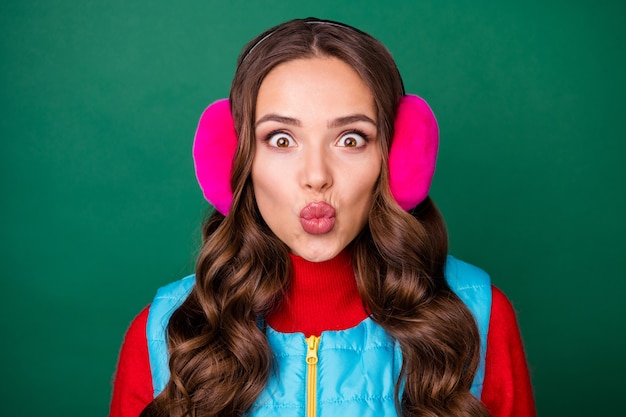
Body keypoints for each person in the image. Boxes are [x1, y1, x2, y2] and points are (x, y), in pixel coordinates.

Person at [110, 18, 535, 417]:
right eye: (281, 139)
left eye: (351, 139)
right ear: (234, 161)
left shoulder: (478, 316)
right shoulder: (164, 335)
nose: (317, 176)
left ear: (398, 159)